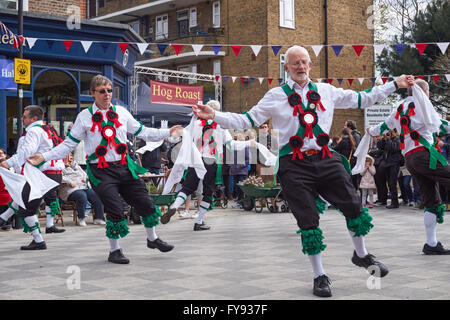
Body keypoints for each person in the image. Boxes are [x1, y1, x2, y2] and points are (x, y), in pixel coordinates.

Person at [193, 45, 414, 297]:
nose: (300, 67)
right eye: (294, 63)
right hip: (293, 164)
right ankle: (320, 275)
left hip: (326, 158)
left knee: (353, 205)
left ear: (310, 65)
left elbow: (363, 98)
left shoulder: (326, 91)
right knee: (308, 220)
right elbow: (246, 120)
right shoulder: (275, 95)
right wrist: (215, 115)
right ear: (286, 68)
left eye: (304, 62)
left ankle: (361, 255)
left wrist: (394, 84)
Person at [27, 74, 182, 263]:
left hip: (124, 166)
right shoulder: (84, 117)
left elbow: (144, 131)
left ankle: (153, 239)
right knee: (115, 208)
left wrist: (168, 132)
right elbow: (68, 145)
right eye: (102, 91)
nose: (107, 94)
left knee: (146, 203)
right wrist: (44, 156)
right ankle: (114, 251)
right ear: (93, 93)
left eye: (109, 90)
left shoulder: (122, 112)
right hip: (101, 171)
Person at [367, 78, 450, 255]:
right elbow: (442, 125)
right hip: (424, 155)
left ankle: (431, 243)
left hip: (411, 160)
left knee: (432, 201)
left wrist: (370, 131)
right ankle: (431, 243)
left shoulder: (398, 109)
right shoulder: (424, 107)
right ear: (425, 93)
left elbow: (382, 127)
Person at [161, 100, 253, 231]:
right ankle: (199, 222)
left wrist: (165, 135)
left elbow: (178, 138)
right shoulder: (221, 127)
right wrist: (250, 143)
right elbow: (232, 146)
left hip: (196, 160)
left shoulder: (196, 124)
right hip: (212, 161)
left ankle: (175, 206)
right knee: (208, 192)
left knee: (187, 188)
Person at [0, 105, 67, 250]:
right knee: (24, 199)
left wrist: (8, 162)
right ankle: (5, 217)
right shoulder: (48, 129)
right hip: (53, 174)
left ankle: (38, 240)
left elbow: (27, 152)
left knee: (26, 207)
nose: (22, 119)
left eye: (25, 117)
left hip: (42, 174)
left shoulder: (33, 131)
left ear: (34, 118)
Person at [60, 153, 105, 226]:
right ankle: (81, 218)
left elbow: (85, 174)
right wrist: (69, 181)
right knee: (81, 195)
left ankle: (99, 218)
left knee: (96, 195)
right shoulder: (60, 166)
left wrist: (85, 178)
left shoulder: (76, 165)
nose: (70, 159)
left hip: (83, 186)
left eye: (71, 157)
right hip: (70, 189)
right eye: (68, 157)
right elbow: (59, 177)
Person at [377, 130, 403, 209]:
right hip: (387, 164)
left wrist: (388, 140)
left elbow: (394, 148)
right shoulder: (387, 140)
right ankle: (393, 202)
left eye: (390, 133)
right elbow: (380, 147)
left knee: (392, 183)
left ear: (394, 133)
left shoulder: (397, 140)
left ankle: (395, 203)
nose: (389, 134)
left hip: (394, 163)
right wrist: (383, 139)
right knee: (389, 183)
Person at [0, 148, 12, 231]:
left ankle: (8, 223)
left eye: (2, 153)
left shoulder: (11, 166)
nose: (1, 154)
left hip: (9, 192)